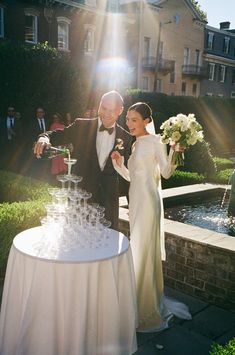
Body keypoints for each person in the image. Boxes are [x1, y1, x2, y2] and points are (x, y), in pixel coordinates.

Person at [111, 102, 191, 332]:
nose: (129, 123)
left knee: (143, 250)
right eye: (128, 119)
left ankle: (146, 305)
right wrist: (118, 163)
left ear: (147, 121)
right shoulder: (136, 145)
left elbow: (165, 172)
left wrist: (175, 150)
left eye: (134, 119)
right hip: (135, 202)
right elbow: (131, 177)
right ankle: (135, 297)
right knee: (137, 248)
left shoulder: (156, 142)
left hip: (149, 204)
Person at [34, 91, 133, 230]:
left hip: (109, 203)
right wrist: (44, 137)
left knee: (108, 247)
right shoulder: (82, 126)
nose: (105, 113)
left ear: (120, 111)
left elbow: (127, 175)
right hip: (80, 200)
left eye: (111, 111)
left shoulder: (126, 137)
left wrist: (133, 206)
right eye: (103, 108)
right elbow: (59, 134)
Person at [49, 113, 67, 179]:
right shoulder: (52, 125)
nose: (55, 119)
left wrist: (65, 145)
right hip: (55, 146)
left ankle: (63, 177)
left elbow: (66, 136)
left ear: (59, 118)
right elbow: (51, 137)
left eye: (56, 118)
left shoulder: (63, 125)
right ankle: (55, 178)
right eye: (54, 118)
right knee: (55, 161)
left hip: (63, 146)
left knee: (62, 161)